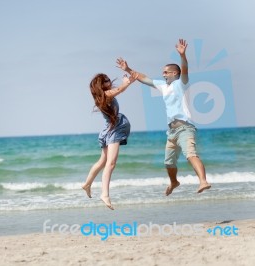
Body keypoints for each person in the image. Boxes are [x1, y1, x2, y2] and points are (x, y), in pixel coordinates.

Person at [118, 39, 211, 196]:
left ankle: (203, 181)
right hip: (171, 132)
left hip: (185, 128)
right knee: (168, 162)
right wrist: (128, 69)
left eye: (166, 72)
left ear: (174, 73)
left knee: (190, 155)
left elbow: (185, 70)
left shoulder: (181, 84)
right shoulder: (163, 85)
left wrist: (183, 55)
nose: (163, 74)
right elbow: (144, 78)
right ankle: (174, 182)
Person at [82, 61, 138, 210]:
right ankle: (104, 194)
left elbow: (120, 89)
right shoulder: (106, 95)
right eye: (106, 80)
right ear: (101, 85)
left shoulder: (104, 96)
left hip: (110, 130)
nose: (109, 81)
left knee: (102, 162)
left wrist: (129, 81)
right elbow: (119, 90)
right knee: (110, 163)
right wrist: (126, 84)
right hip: (113, 131)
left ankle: (87, 184)